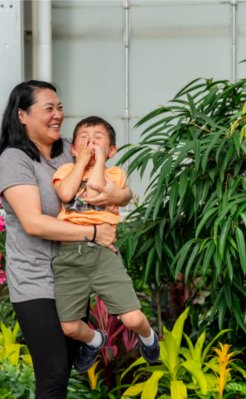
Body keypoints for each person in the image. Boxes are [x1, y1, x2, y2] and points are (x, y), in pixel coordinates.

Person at [0, 81, 131, 399]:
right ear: (22, 115)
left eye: (59, 107)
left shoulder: (72, 149)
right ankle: (93, 341)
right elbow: (33, 223)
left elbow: (114, 186)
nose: (58, 115)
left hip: (73, 273)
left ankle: (92, 341)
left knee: (66, 366)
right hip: (34, 278)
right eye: (48, 108)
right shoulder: (15, 160)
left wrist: (121, 196)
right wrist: (95, 233)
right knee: (54, 372)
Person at [51, 116, 160, 373]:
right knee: (69, 326)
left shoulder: (114, 174)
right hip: (68, 255)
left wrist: (98, 160)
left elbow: (96, 189)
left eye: (98, 137)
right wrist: (80, 163)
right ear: (73, 148)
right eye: (84, 137)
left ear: (112, 151)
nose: (91, 141)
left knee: (132, 318)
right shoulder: (65, 171)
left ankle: (148, 337)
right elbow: (66, 194)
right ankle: (96, 340)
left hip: (103, 254)